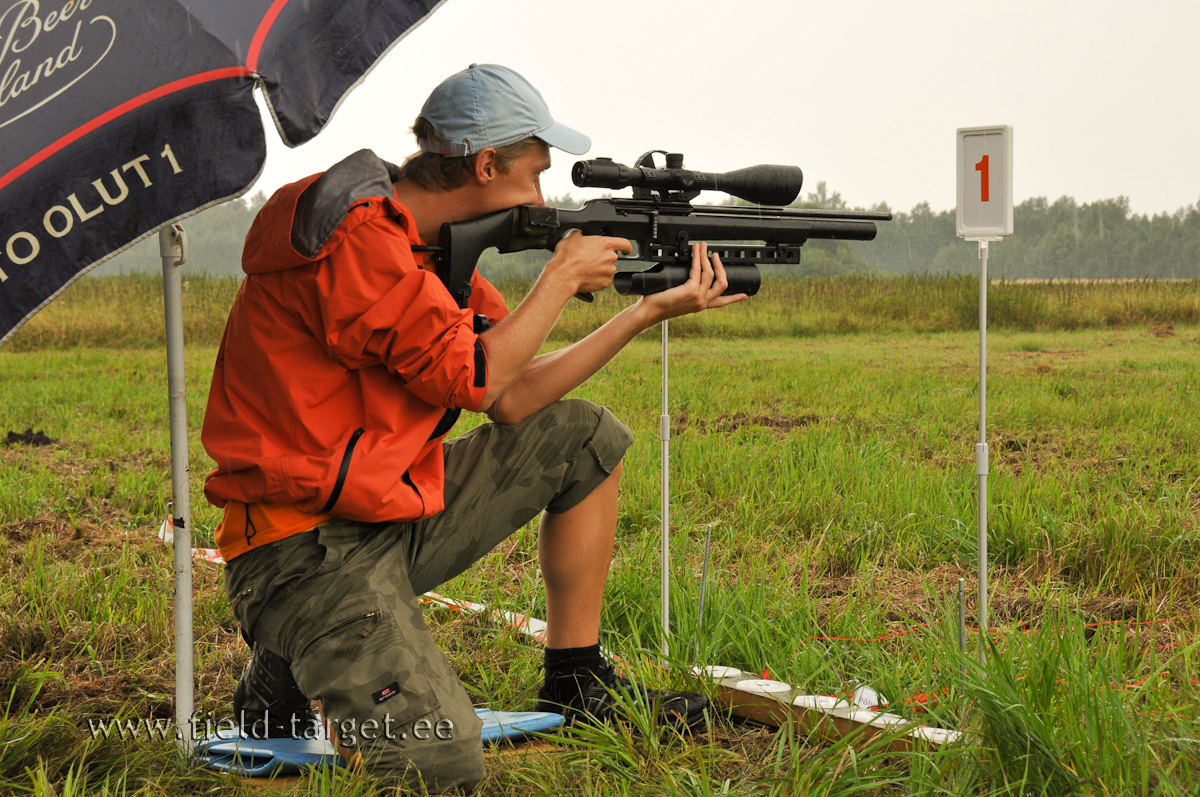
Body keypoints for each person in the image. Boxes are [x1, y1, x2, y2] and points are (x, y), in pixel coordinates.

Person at [201, 63, 745, 791]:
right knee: (445, 762)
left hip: (380, 517)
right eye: (533, 175)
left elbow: (512, 396)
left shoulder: (427, 252)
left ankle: (575, 678)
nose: (541, 199)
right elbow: (476, 377)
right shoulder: (358, 238)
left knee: (580, 436)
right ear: (485, 164)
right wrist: (557, 279)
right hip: (299, 551)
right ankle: (296, 638)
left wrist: (641, 312)